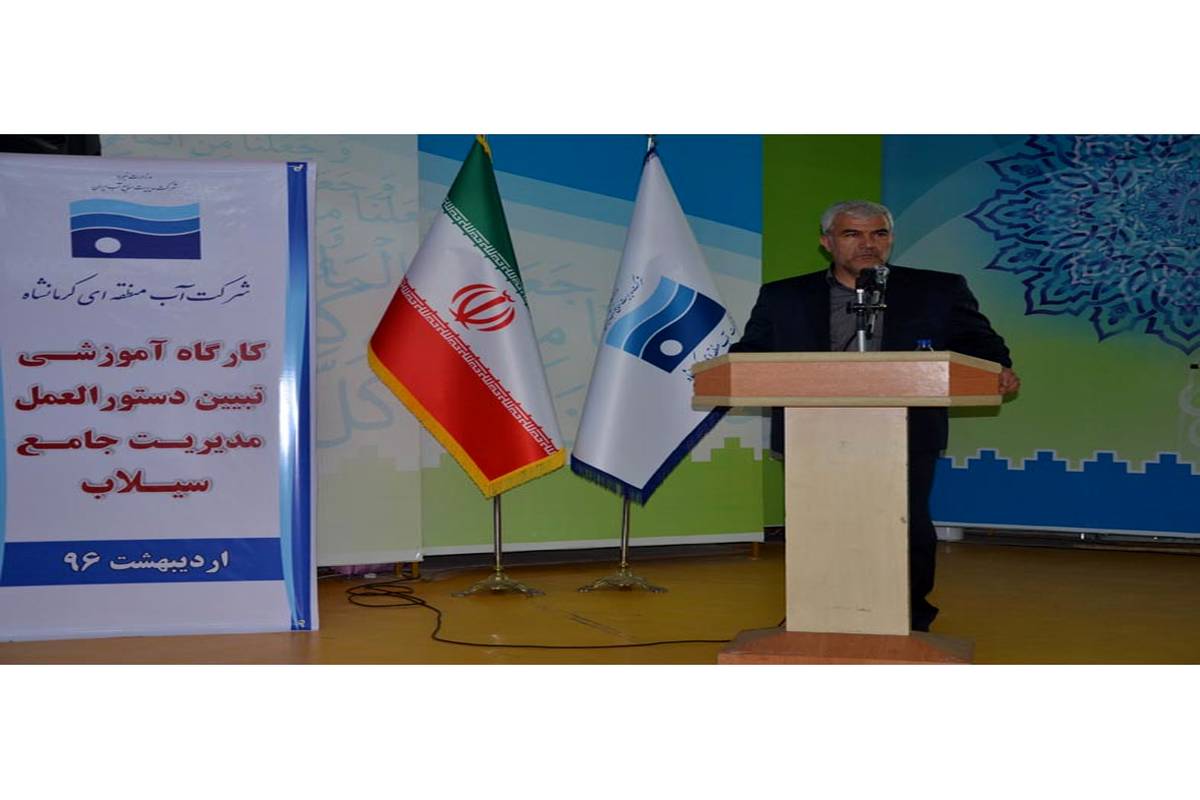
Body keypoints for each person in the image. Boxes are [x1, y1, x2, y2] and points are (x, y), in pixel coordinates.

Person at [731, 200, 1019, 631]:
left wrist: (997, 369)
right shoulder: (784, 296)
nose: (868, 244)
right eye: (852, 234)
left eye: (878, 234)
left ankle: (908, 616)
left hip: (908, 430)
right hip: (812, 433)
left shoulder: (938, 290)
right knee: (818, 525)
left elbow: (984, 347)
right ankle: (814, 614)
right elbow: (751, 354)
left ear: (890, 239)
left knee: (905, 525)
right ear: (827, 242)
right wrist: (730, 368)